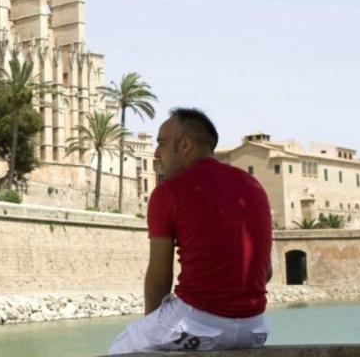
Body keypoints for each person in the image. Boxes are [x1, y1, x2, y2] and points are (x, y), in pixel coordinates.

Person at [109, 108, 273, 354]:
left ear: (184, 145)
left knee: (123, 347)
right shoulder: (254, 186)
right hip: (255, 329)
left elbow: (159, 279)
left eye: (162, 144)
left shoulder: (168, 192)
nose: (156, 154)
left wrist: (152, 331)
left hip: (199, 326)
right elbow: (266, 272)